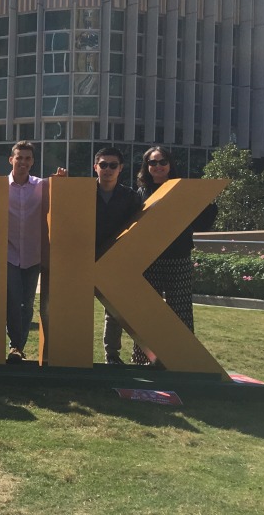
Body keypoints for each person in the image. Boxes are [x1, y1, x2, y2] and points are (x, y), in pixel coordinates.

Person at [0, 141, 64, 364]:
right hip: (8, 253)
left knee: (27, 303)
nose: (23, 162)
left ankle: (17, 347)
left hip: (33, 254)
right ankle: (15, 343)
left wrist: (62, 184)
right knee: (14, 300)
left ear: (32, 161)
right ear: (11, 160)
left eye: (27, 158)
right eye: (19, 158)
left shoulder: (42, 186)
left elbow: (60, 202)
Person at [130, 146, 217, 365]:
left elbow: (204, 221)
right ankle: (143, 360)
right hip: (149, 260)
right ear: (146, 166)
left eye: (162, 162)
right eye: (152, 162)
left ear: (170, 164)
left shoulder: (182, 188)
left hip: (178, 257)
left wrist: (205, 202)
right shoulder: (141, 193)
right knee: (147, 313)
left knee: (181, 310)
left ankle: (183, 360)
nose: (157, 166)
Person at [93, 147, 143, 365]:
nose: (107, 169)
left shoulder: (130, 196)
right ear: (95, 167)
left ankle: (111, 355)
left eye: (113, 165)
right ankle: (70, 353)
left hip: (115, 259)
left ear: (120, 168)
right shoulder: (82, 192)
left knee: (114, 311)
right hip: (83, 257)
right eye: (103, 165)